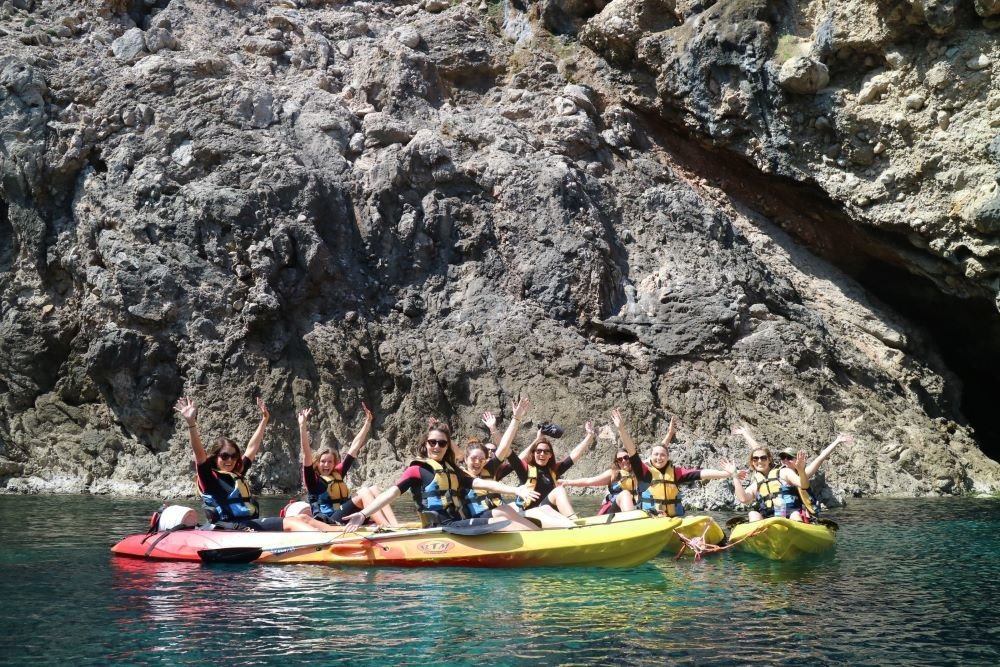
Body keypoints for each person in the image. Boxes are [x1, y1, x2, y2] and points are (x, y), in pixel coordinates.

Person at [342, 419, 541, 532]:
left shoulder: (452, 469)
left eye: (442, 443)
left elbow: (482, 484)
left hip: (456, 524)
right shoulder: (416, 469)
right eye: (433, 442)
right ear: (426, 444)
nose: (437, 446)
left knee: (508, 519)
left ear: (447, 447)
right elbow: (391, 494)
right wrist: (363, 514)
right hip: (440, 528)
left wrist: (516, 490)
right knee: (506, 524)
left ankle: (540, 536)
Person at [174, 397, 337, 532]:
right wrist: (191, 423)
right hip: (231, 528)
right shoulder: (209, 478)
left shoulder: (237, 473)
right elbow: (199, 454)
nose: (230, 460)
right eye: (224, 456)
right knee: (291, 523)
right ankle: (325, 541)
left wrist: (264, 420)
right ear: (215, 458)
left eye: (233, 456)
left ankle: (341, 532)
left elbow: (251, 448)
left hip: (248, 524)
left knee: (301, 518)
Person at [614, 410, 735, 517]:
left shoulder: (676, 472)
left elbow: (702, 473)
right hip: (651, 519)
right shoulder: (644, 471)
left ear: (668, 457)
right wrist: (621, 429)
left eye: (662, 455)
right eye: (656, 455)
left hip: (674, 519)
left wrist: (727, 474)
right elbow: (632, 451)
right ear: (651, 457)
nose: (659, 458)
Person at [298, 404, 397, 526]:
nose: (326, 464)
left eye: (330, 462)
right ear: (317, 463)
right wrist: (302, 426)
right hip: (329, 521)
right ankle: (386, 526)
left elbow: (354, 447)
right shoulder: (312, 480)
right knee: (364, 492)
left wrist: (367, 424)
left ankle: (394, 525)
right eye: (323, 461)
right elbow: (306, 454)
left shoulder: (337, 473)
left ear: (334, 464)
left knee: (374, 489)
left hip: (344, 515)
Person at [730, 425, 852, 522]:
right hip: (772, 513)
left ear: (797, 459)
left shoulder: (801, 473)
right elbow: (758, 452)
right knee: (753, 513)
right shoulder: (775, 473)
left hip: (793, 512)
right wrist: (744, 433)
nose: (785, 461)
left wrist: (837, 441)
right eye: (783, 458)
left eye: (789, 458)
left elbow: (820, 459)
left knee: (795, 514)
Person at [506, 419, 596, 526]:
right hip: (530, 515)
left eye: (546, 452)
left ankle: (573, 522)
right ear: (533, 453)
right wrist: (537, 439)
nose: (542, 454)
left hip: (548, 513)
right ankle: (574, 523)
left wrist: (589, 436)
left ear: (550, 455)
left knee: (559, 490)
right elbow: (512, 456)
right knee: (559, 490)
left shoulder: (553, 470)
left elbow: (574, 455)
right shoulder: (525, 470)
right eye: (538, 451)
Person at [461, 399, 534, 523]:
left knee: (541, 509)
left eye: (481, 459)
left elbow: (504, 447)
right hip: (480, 521)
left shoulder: (489, 469)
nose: (477, 462)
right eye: (473, 459)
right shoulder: (458, 475)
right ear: (465, 459)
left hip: (500, 511)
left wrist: (516, 419)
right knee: (506, 511)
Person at [560, 447, 638, 514]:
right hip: (614, 511)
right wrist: (566, 482)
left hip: (634, 506)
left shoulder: (639, 473)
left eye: (626, 457)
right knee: (625, 494)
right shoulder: (613, 474)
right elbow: (589, 481)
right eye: (620, 459)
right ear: (617, 463)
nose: (623, 461)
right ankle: (631, 522)